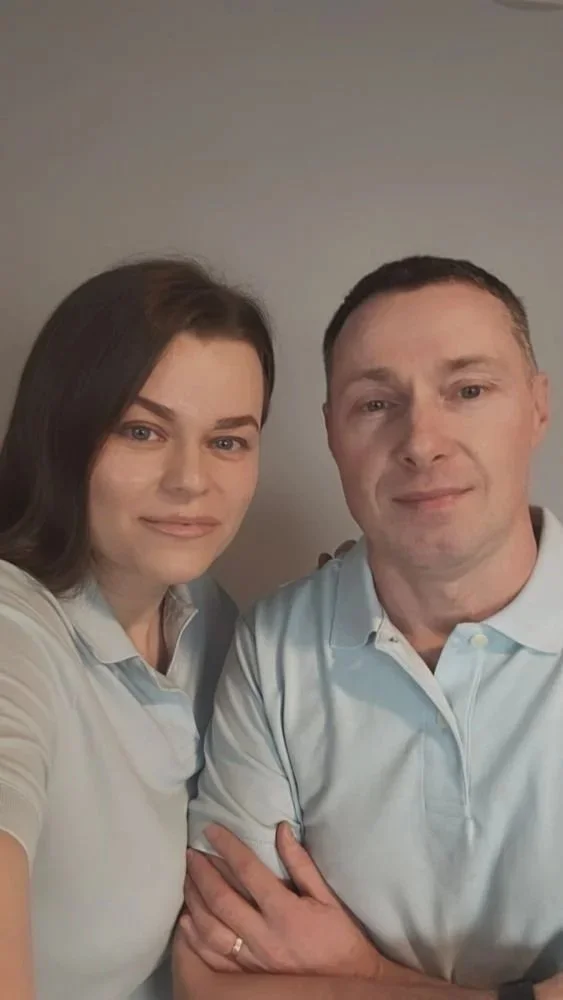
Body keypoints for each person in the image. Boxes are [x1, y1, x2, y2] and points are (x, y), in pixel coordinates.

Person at [178, 256, 563, 1000]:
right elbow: (215, 978)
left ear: (537, 408)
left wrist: (365, 975)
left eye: (468, 390)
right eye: (375, 404)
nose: (421, 440)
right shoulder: (271, 648)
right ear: (331, 434)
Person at [0, 257, 275, 999]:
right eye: (142, 430)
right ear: (63, 432)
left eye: (227, 441)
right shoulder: (13, 632)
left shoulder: (209, 616)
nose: (191, 480)